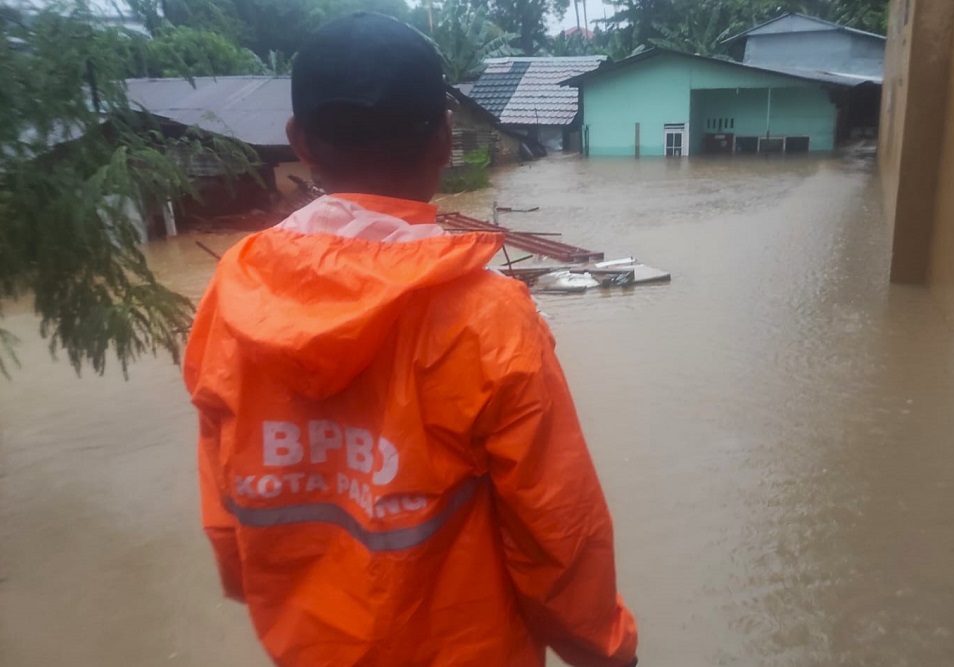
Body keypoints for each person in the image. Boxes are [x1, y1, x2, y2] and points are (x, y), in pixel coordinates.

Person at [184, 12, 637, 667]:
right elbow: (557, 532)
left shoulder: (234, 294)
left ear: (299, 142)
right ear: (445, 140)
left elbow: (229, 520)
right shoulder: (489, 320)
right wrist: (608, 650)